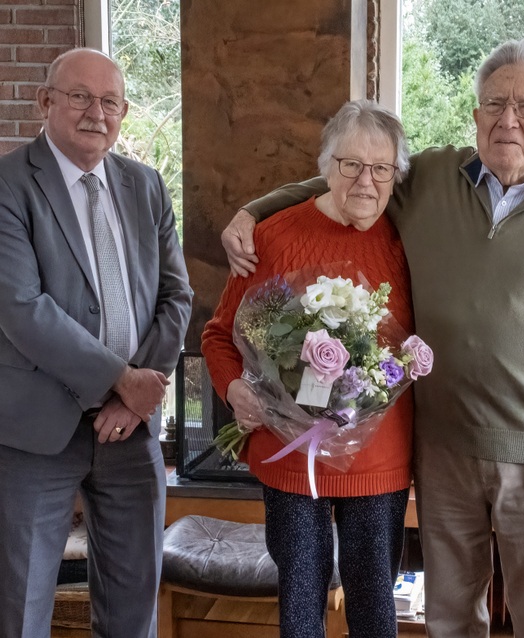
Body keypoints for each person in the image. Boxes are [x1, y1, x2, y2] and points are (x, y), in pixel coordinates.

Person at [220, 39, 524, 638]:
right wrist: (252, 212)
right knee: (450, 617)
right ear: (475, 115)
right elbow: (347, 180)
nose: (507, 119)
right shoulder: (434, 177)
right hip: (442, 451)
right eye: (493, 102)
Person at [0, 48, 192, 638]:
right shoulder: (0, 184)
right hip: (35, 425)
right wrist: (121, 379)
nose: (96, 112)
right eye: (80, 96)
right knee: (20, 609)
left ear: (124, 111)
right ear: (46, 101)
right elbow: (22, 309)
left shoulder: (146, 185)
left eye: (109, 101)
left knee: (134, 601)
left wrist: (136, 395)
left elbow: (177, 297)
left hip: (129, 429)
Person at [201, 99, 414, 638]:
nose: (366, 181)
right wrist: (234, 390)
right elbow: (220, 335)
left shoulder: (407, 242)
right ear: (326, 166)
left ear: (395, 175)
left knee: (374, 608)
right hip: (291, 455)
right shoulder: (271, 237)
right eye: (351, 165)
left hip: (378, 456)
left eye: (381, 168)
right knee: (299, 606)